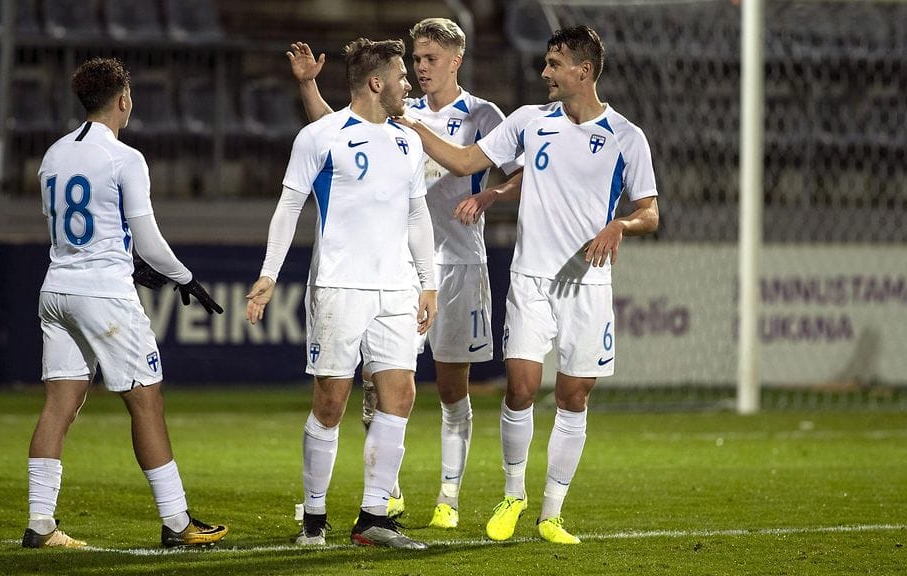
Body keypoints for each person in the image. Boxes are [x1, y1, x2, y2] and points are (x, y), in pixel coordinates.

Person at [395, 26, 660, 544]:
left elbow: (649, 212)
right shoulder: (529, 122)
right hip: (531, 279)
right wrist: (411, 123)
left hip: (588, 284)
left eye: (554, 65)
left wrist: (619, 225)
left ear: (583, 72)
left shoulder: (627, 137)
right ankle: (513, 493)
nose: (544, 73)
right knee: (519, 387)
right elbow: (466, 161)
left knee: (574, 395)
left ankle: (551, 512)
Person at [287, 18, 523, 530]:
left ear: (456, 60)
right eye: (415, 60)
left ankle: (447, 497)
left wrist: (491, 194)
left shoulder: (483, 114)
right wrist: (308, 86)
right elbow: (335, 133)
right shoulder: (401, 110)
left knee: (451, 385)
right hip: (399, 268)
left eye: (430, 59)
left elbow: (522, 168)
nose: (419, 69)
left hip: (459, 262)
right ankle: (385, 496)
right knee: (382, 384)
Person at [24, 57, 228, 549]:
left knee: (59, 405)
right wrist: (185, 278)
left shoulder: (52, 155)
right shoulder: (124, 157)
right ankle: (177, 523)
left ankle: (40, 525)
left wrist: (121, 259)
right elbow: (149, 240)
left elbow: (71, 228)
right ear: (123, 100)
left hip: (57, 287)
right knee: (146, 402)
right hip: (103, 295)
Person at [246, 37, 436, 550]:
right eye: (401, 75)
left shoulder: (409, 141)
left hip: (396, 288)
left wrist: (428, 280)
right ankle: (313, 517)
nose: (407, 84)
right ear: (377, 82)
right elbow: (288, 208)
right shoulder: (320, 136)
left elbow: (417, 214)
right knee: (331, 401)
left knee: (400, 396)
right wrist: (268, 273)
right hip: (338, 286)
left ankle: (374, 518)